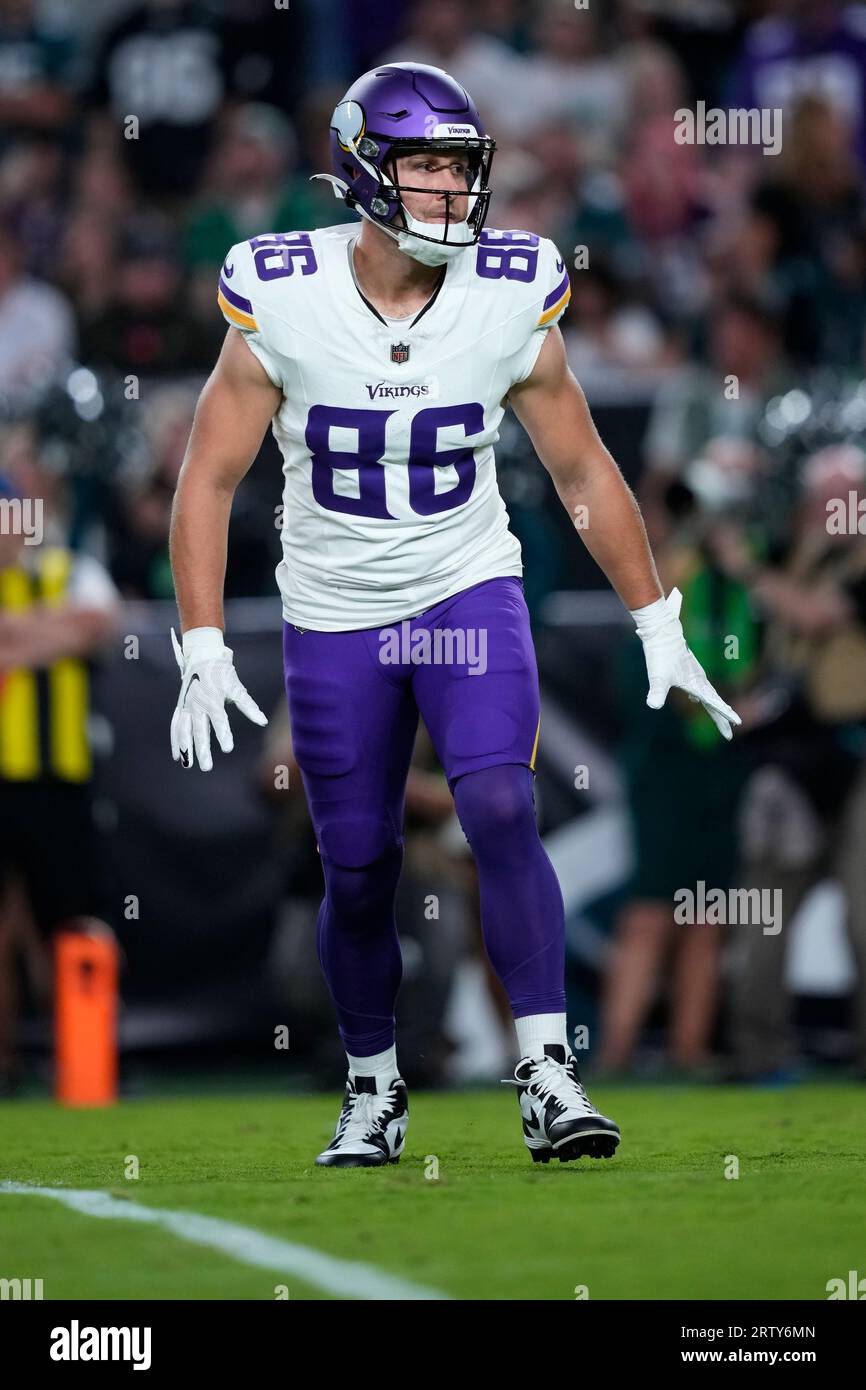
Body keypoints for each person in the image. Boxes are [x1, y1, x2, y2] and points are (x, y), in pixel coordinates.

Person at [167, 62, 740, 1168]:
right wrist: (197, 641)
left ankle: (545, 1069)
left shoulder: (508, 286)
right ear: (365, 173)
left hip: (465, 585)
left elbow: (579, 465)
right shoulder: (281, 291)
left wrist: (656, 621)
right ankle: (374, 1084)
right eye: (425, 165)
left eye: (458, 166)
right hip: (334, 611)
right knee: (360, 863)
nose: (449, 190)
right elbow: (206, 476)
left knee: (497, 807)